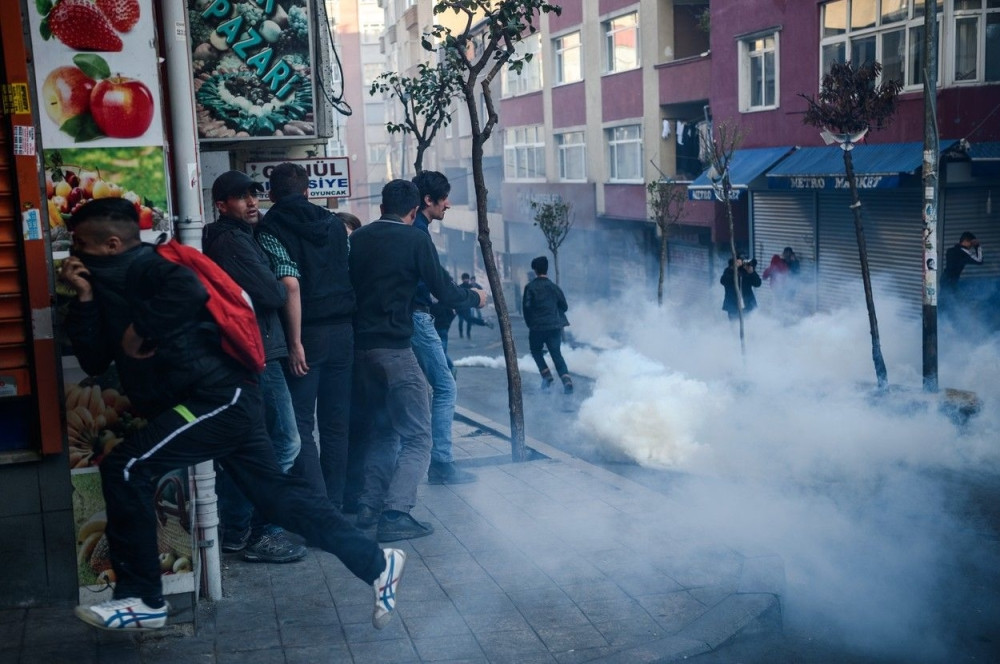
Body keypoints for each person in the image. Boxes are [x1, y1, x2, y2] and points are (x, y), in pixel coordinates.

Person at [58, 198, 404, 632]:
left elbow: (188, 290)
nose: (72, 251)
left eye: (79, 242)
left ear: (111, 244)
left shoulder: (146, 267)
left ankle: (143, 599)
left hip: (218, 397)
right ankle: (376, 563)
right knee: (278, 498)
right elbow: (93, 360)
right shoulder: (104, 281)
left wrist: (140, 329)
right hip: (224, 401)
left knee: (127, 468)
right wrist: (86, 301)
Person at [348, 179, 485, 542]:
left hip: (360, 350)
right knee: (418, 435)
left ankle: (368, 507)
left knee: (384, 430)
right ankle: (395, 512)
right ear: (413, 212)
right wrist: (474, 299)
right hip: (394, 348)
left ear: (381, 207)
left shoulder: (357, 239)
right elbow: (443, 290)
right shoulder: (414, 238)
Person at [202, 170, 305, 564]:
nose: (251, 203)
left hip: (255, 349)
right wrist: (281, 283)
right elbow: (273, 291)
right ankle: (258, 528)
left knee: (256, 442)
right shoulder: (230, 240)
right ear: (221, 205)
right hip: (256, 352)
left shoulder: (239, 237)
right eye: (241, 197)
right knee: (284, 441)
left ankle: (239, 526)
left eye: (253, 195)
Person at [258, 163, 356, 509]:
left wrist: (295, 342)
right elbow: (347, 268)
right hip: (344, 331)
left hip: (306, 334)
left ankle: (319, 509)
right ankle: (339, 503)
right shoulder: (333, 223)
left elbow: (289, 283)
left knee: (300, 422)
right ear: (308, 191)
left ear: (271, 194)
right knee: (336, 422)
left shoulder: (270, 227)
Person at [410, 171, 476, 486]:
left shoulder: (410, 229)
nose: (447, 204)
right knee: (445, 386)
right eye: (444, 198)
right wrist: (474, 298)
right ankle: (442, 464)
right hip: (416, 319)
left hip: (404, 319)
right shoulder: (418, 234)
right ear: (428, 200)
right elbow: (438, 284)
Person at [522, 255, 573, 394]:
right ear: (547, 270)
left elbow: (526, 308)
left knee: (536, 351)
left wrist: (530, 323)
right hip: (554, 326)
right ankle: (566, 379)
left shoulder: (530, 287)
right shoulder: (554, 287)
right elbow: (564, 306)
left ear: (535, 270)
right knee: (556, 353)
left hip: (537, 327)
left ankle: (546, 375)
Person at [721, 256, 762, 320]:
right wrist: (734, 270)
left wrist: (752, 273)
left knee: (750, 324)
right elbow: (723, 281)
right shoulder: (729, 270)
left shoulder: (747, 271)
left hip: (748, 304)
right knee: (734, 325)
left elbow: (758, 283)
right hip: (733, 304)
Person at [457, 273, 493, 339]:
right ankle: (462, 334)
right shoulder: (463, 287)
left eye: (467, 279)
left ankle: (467, 334)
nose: (466, 280)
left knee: (468, 320)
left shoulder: (466, 287)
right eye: (465, 279)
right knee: (465, 320)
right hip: (463, 307)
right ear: (463, 279)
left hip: (464, 307)